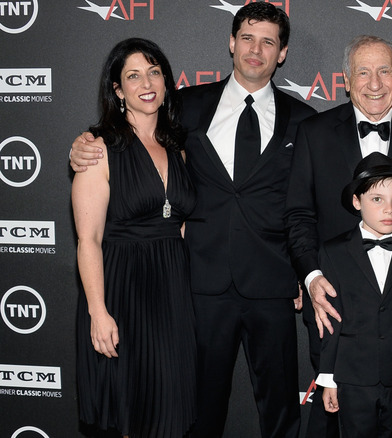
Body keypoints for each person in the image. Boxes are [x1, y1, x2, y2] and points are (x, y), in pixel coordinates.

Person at [70, 4, 317, 437]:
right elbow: (127, 131)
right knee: (193, 412)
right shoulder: (183, 106)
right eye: (246, 37)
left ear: (282, 53)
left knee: (282, 412)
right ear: (231, 42)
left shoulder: (306, 121)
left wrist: (305, 270)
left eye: (268, 41)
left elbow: (307, 208)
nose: (255, 49)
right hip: (196, 286)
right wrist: (83, 143)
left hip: (271, 285)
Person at [285, 35, 392, 437]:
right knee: (332, 416)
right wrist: (311, 276)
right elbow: (299, 214)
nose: (375, 83)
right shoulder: (314, 131)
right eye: (363, 71)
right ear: (345, 80)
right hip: (333, 302)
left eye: (384, 70)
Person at [72, 37, 197, 437]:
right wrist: (98, 310)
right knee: (132, 408)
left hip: (172, 290)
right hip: (123, 289)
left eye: (154, 71)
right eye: (133, 75)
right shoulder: (98, 148)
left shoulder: (177, 147)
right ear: (117, 88)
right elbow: (88, 239)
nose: (146, 82)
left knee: (171, 409)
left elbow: (180, 224)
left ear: (165, 80)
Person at [315, 152, 392, 438]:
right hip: (352, 377)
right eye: (377, 199)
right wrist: (328, 379)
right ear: (357, 201)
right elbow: (330, 321)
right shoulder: (332, 252)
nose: (389, 209)